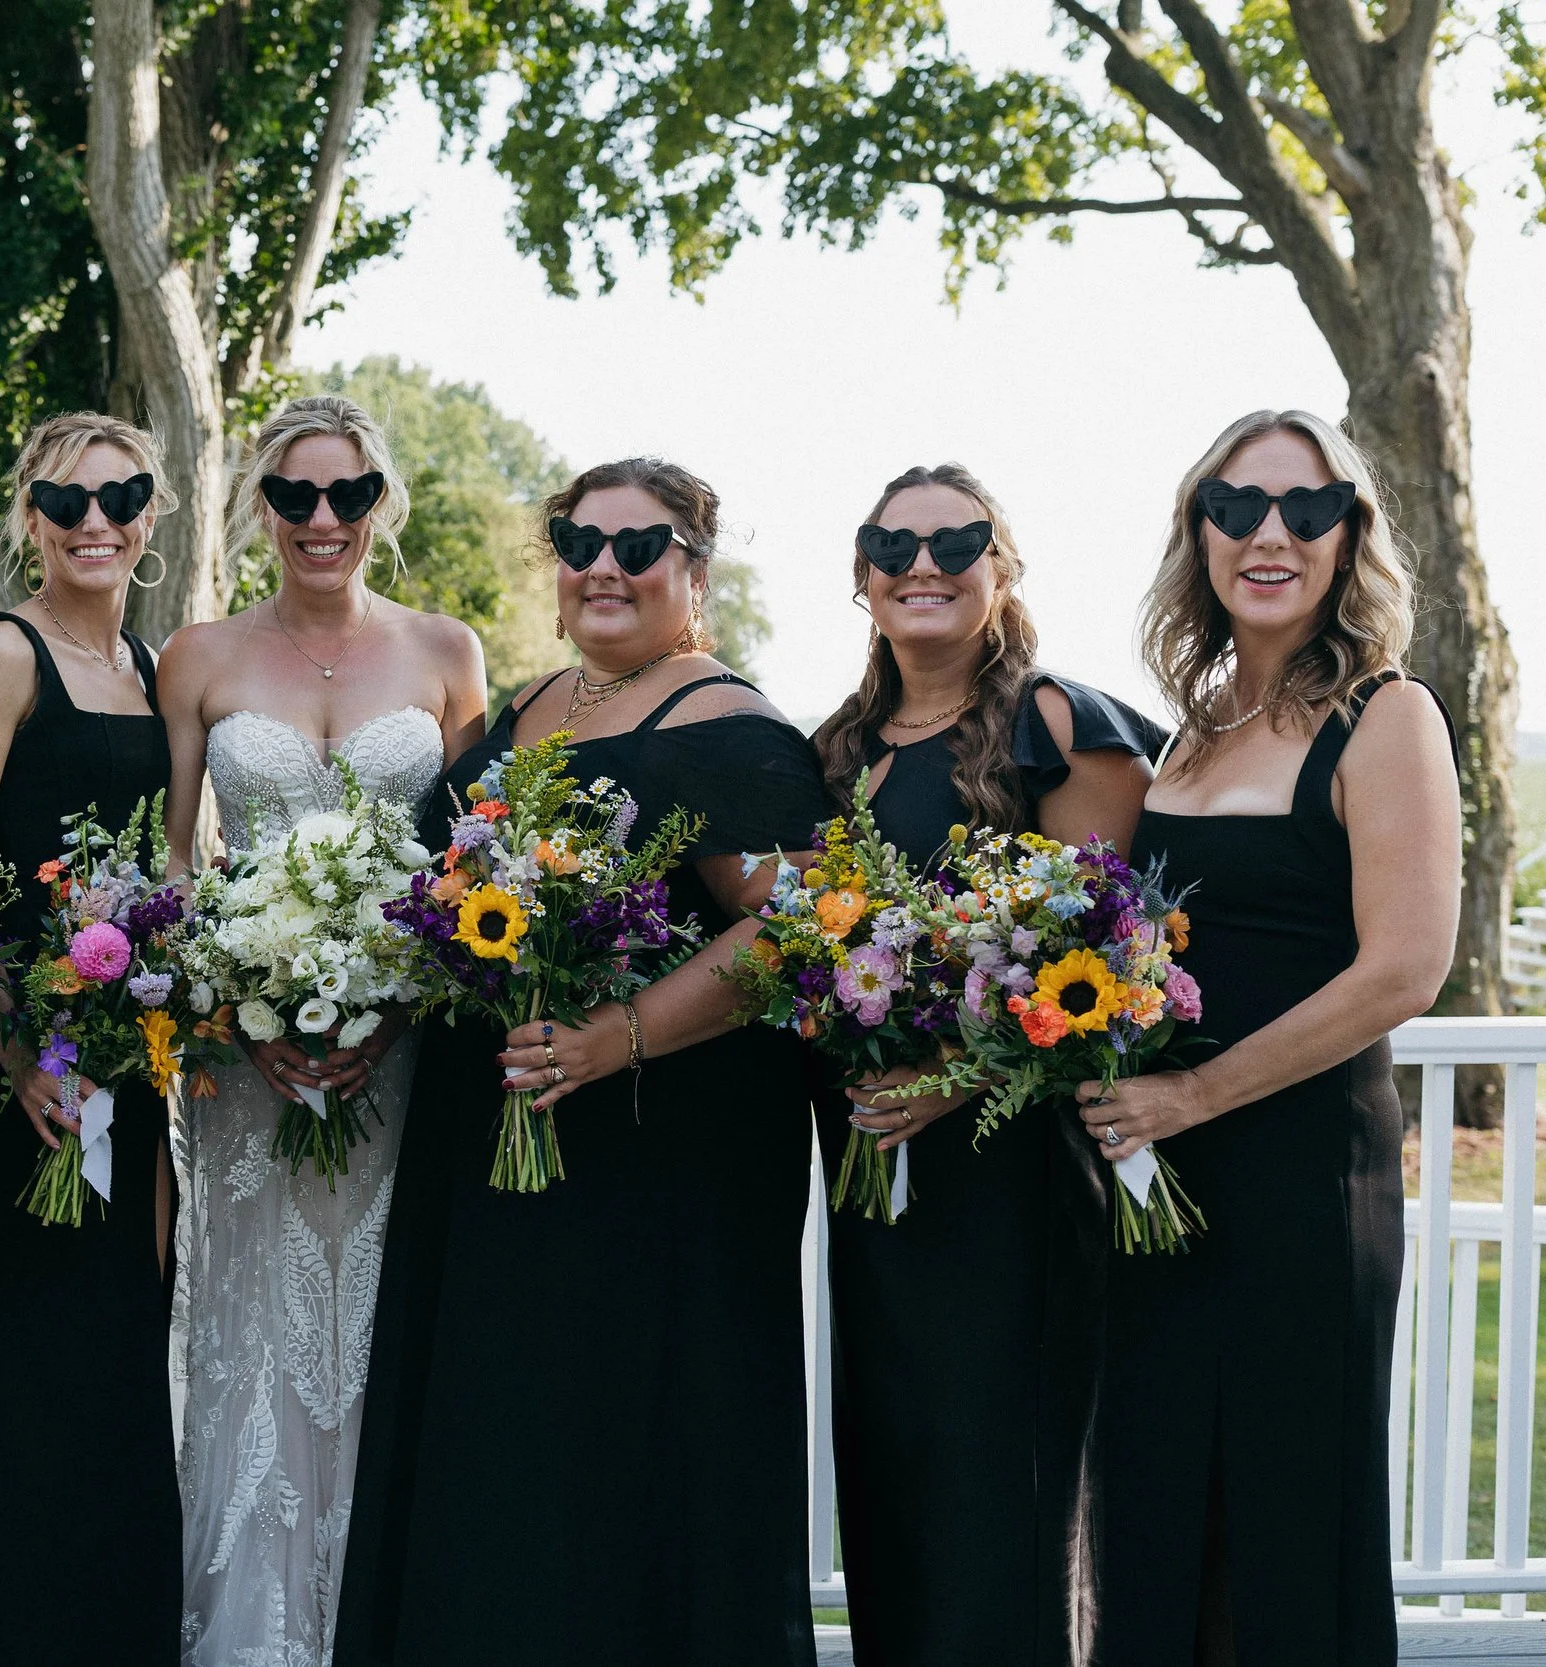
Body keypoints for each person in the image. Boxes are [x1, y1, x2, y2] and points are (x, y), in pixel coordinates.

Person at [335, 458, 830, 1667]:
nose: (603, 562)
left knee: (607, 1451)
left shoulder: (731, 725)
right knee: (502, 1442)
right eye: (579, 537)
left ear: (694, 574)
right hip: (496, 1145)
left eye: (639, 542)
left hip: (647, 1172)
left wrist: (621, 1034)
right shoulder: (527, 705)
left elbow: (796, 928)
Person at [1079, 410, 1458, 1664]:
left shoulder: (1385, 716)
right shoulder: (1190, 726)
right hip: (1159, 1194)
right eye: (1236, 508)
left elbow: (1403, 966)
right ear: (1199, 533)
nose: (1270, 535)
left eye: (1306, 509)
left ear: (1350, 536)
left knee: (1288, 1524)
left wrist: (1194, 1097)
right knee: (1152, 1509)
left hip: (1300, 1182)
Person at [807, 463, 1161, 1666]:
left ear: (1000, 570)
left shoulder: (1056, 723)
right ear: (859, 577)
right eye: (891, 543)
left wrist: (956, 1075)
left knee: (1000, 1474)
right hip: (876, 1178)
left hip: (1012, 1171)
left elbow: (1117, 956)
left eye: (955, 540)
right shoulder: (834, 748)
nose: (922, 562)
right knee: (897, 1459)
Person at [159, 394, 488, 1664]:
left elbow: (479, 874)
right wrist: (238, 1017)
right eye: (295, 496)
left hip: (404, 1063)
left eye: (347, 494)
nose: (322, 518)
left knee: (390, 1324)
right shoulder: (198, 653)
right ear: (260, 508)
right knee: (250, 1332)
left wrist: (401, 1008)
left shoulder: (448, 653)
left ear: (379, 504)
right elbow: (175, 868)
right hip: (251, 1068)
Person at [0, 411, 183, 1663]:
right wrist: (13, 1051)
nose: (95, 520)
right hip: (33, 1074)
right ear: (27, 516)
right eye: (66, 499)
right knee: (48, 1369)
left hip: (139, 1066)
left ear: (154, 509)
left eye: (120, 495)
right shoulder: (2, 656)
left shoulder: (151, 665)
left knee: (134, 1358)